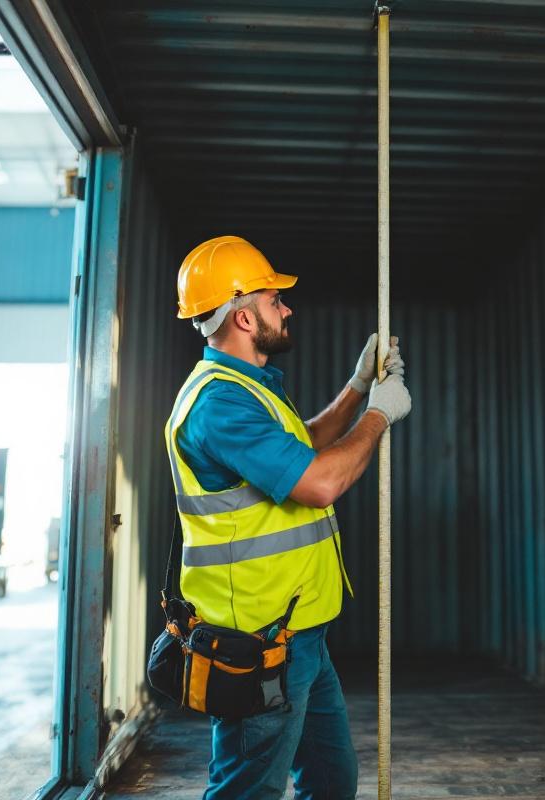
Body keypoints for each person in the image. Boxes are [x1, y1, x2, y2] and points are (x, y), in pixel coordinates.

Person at [165, 235, 412, 799]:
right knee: (247, 789)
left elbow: (304, 446)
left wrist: (356, 389)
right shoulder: (220, 405)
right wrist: (380, 415)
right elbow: (320, 482)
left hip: (300, 632)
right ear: (245, 317)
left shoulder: (247, 389)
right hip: (258, 642)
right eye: (275, 299)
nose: (287, 307)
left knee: (330, 778)